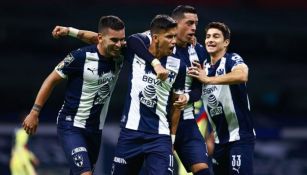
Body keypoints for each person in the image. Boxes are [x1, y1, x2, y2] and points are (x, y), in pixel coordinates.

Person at [52, 5, 211, 175]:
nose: (194, 28)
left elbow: (197, 89)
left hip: (178, 122)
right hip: (137, 129)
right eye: (190, 23)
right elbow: (106, 41)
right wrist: (71, 31)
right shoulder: (141, 46)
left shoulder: (197, 52)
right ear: (174, 25)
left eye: (196, 23)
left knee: (202, 169)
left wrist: (189, 94)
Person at [22, 15, 127, 175]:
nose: (119, 44)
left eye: (122, 40)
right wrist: (35, 112)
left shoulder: (120, 53)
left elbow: (95, 38)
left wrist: (70, 31)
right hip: (71, 126)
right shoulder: (79, 57)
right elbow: (51, 80)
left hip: (95, 130)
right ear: (101, 38)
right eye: (114, 40)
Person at [110, 14, 188, 175]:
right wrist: (155, 63)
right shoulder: (136, 52)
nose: (174, 41)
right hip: (130, 134)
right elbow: (127, 40)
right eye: (169, 37)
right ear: (156, 38)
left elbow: (176, 106)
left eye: (175, 36)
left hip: (160, 137)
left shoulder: (179, 66)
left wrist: (172, 139)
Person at [188, 21, 256, 175]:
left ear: (226, 42)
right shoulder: (202, 67)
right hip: (219, 141)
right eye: (208, 36)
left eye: (216, 36)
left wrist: (208, 80)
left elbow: (243, 74)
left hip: (240, 138)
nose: (210, 39)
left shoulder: (231, 59)